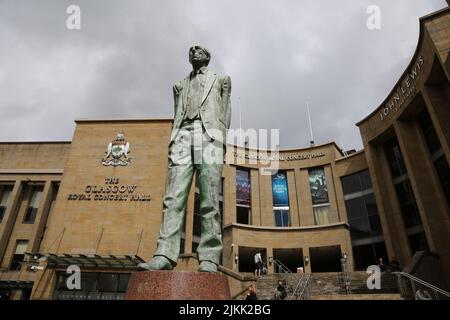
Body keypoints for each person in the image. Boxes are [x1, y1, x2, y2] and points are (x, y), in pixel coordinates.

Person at [137, 45, 232, 273]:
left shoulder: (222, 79)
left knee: (209, 198)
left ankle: (209, 257)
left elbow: (226, 113)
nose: (193, 51)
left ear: (208, 57)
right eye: (190, 50)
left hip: (208, 135)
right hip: (182, 135)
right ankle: (163, 254)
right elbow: (176, 114)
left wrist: (220, 139)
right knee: (173, 197)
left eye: (198, 49)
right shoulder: (179, 85)